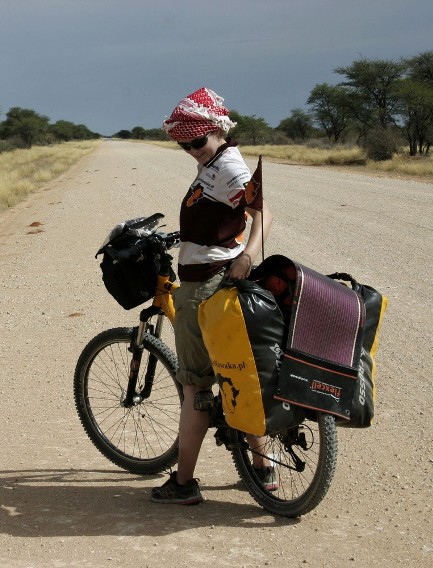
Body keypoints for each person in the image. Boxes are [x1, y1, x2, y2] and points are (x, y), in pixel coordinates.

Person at [151, 87, 276, 505]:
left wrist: (248, 255)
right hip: (212, 274)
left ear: (217, 132)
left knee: (196, 386)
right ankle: (262, 468)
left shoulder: (229, 167)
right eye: (184, 144)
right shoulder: (217, 162)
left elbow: (263, 211)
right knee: (235, 371)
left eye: (197, 141)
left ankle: (184, 483)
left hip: (206, 284)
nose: (191, 149)